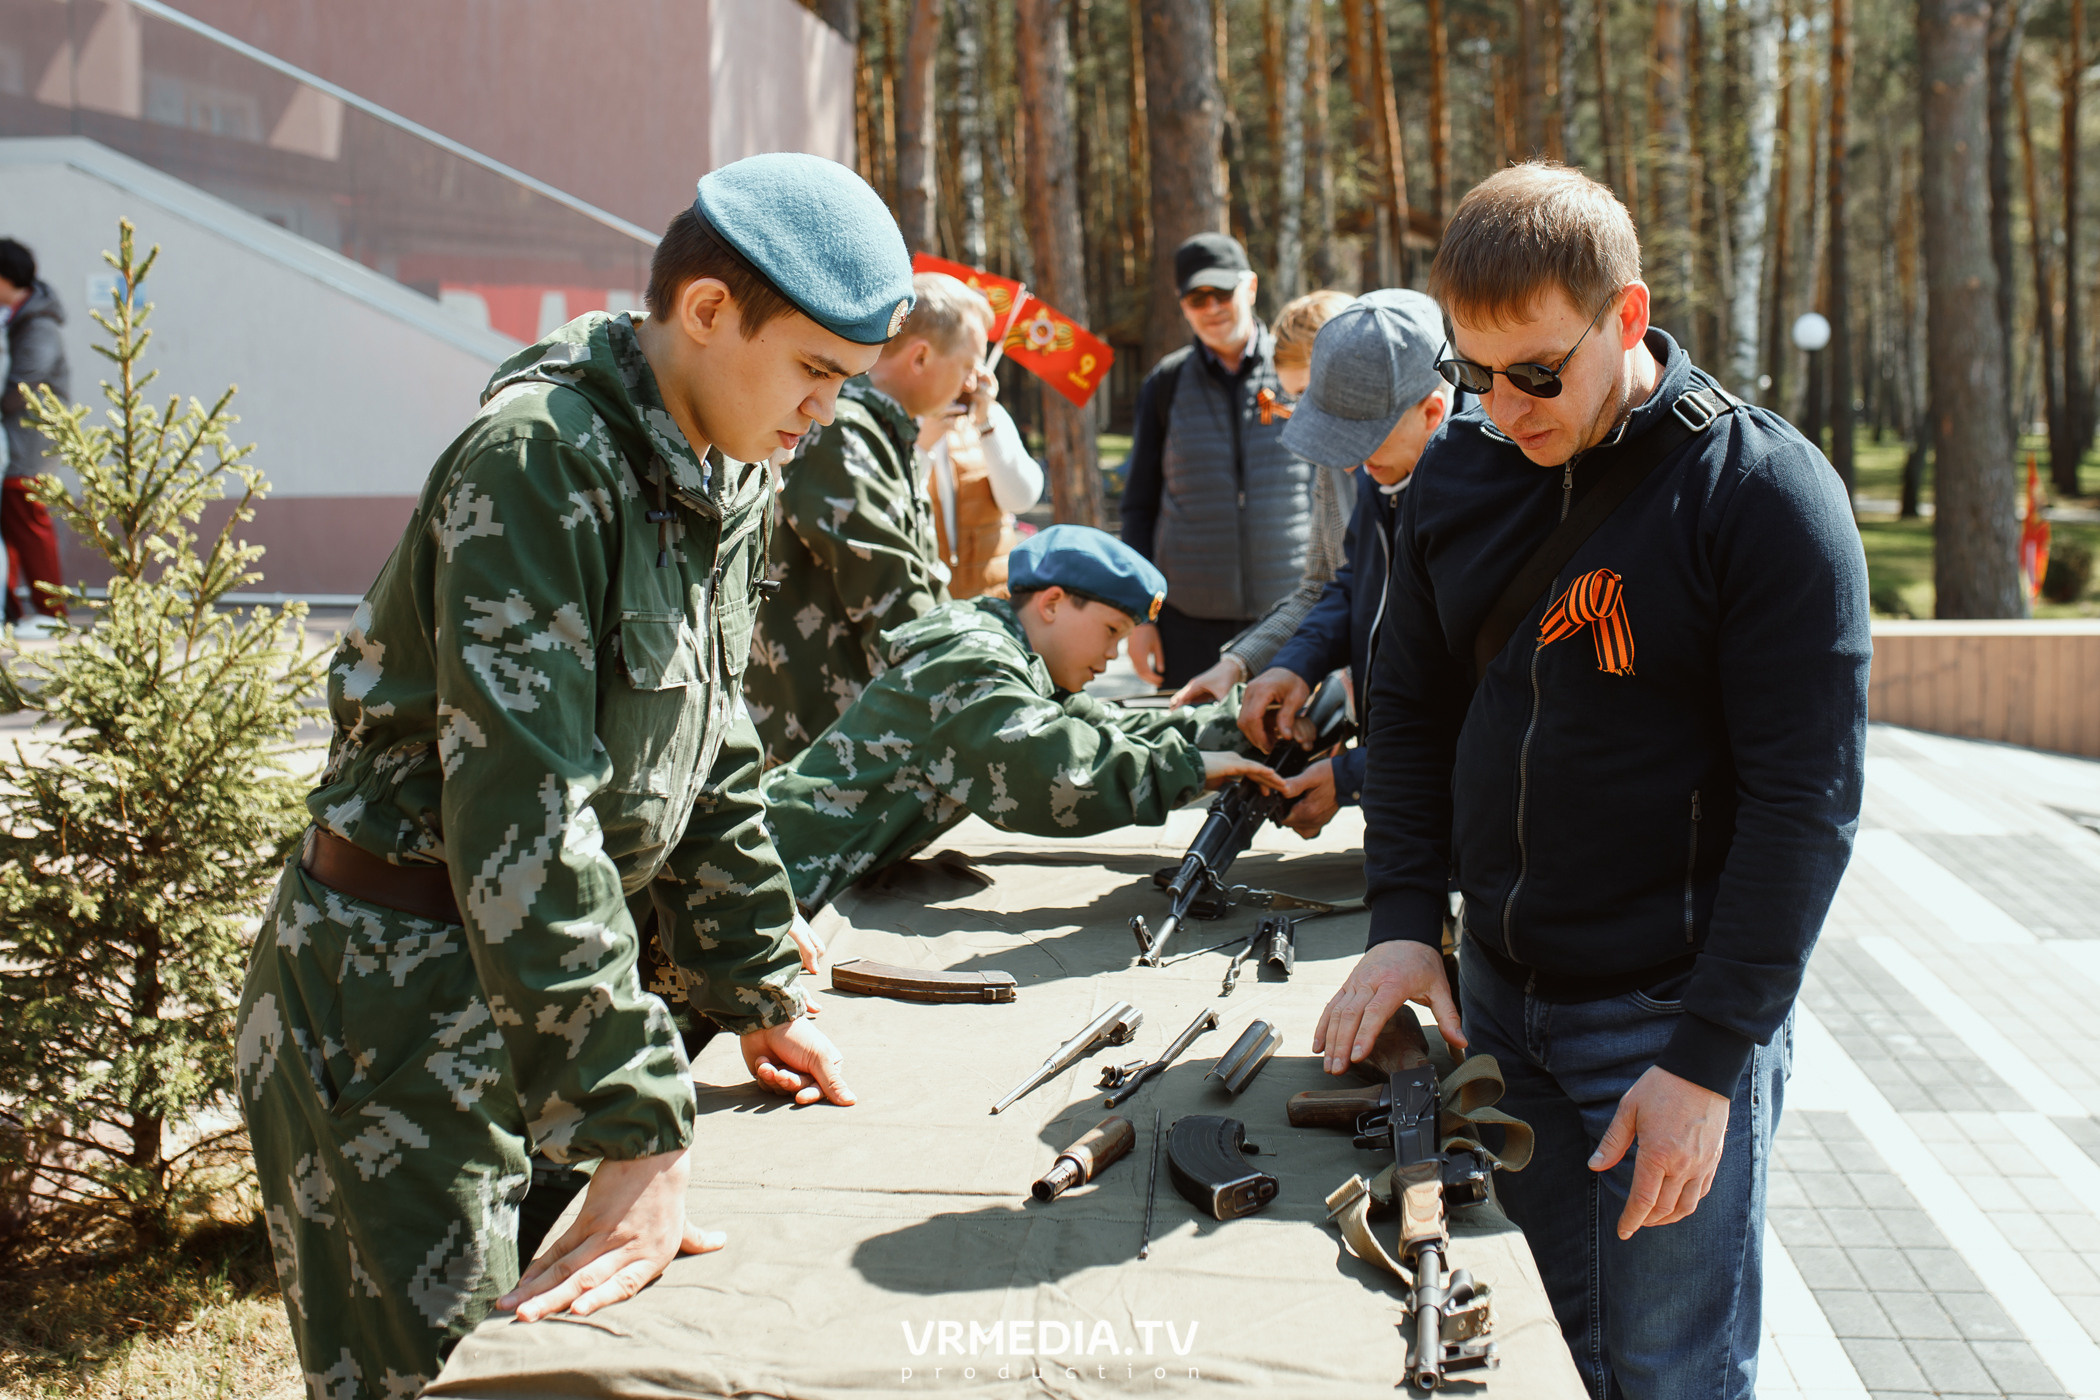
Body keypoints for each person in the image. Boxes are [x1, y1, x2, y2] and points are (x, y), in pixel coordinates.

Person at [234, 152, 903, 1398]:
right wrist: (636, 1123)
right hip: (398, 1011)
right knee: (456, 1380)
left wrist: (756, 975)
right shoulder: (539, 462)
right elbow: (523, 817)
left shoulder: (728, 460)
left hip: (531, 992)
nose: (828, 412)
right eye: (817, 370)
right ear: (707, 313)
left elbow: (710, 740)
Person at [1312, 163, 1869, 1398]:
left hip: (1664, 1024)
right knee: (1550, 1352)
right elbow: (1407, 708)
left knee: (1671, 1372)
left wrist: (1711, 1059)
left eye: (1539, 372)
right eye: (1472, 374)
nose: (1504, 408)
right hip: (1501, 1009)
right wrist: (1406, 923)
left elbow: (1806, 806)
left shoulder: (1767, 499)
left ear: (1628, 314)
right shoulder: (1457, 472)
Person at [760, 524, 1284, 915]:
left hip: (797, 873)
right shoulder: (974, 664)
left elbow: (1108, 731)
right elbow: (1057, 770)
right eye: (1111, 631)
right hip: (768, 876)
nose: (1112, 657)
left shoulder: (1015, 662)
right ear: (1053, 604)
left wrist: (1244, 727)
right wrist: (1190, 766)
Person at [744, 272, 992, 767]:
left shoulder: (876, 431)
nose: (975, 383)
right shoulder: (845, 434)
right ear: (920, 356)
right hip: (817, 746)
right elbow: (895, 599)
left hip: (835, 731)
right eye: (968, 365)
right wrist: (990, 680)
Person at [1233, 290, 1451, 840]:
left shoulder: (1475, 503)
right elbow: (1353, 582)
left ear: (1432, 412)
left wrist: (1351, 776)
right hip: (1405, 802)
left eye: (1366, 438)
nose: (1353, 460)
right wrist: (1297, 664)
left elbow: (1467, 705)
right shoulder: (1390, 471)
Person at [1118, 233, 1318, 689]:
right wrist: (1140, 617)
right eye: (1196, 297)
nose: (1211, 308)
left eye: (1221, 293)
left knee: (1291, 753)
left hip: (1290, 614)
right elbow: (1138, 506)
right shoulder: (1164, 384)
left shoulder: (1298, 370)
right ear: (1182, 304)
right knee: (1198, 756)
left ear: (1249, 289)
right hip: (1188, 623)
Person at [1170, 289, 1354, 705]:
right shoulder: (1330, 465)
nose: (1304, 420)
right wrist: (1236, 664)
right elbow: (1320, 589)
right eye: (1294, 400)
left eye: (1313, 394)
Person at [920, 371, 1043, 598]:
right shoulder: (899, 416)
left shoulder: (990, 414)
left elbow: (1021, 499)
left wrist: (986, 424)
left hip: (990, 596)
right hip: (925, 598)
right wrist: (922, 445)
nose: (970, 380)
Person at [0, 239, 69, 633]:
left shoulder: (38, 325)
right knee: (12, 524)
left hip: (32, 443)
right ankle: (13, 611)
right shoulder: (18, 317)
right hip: (18, 440)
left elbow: (23, 385)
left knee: (28, 520)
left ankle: (51, 613)